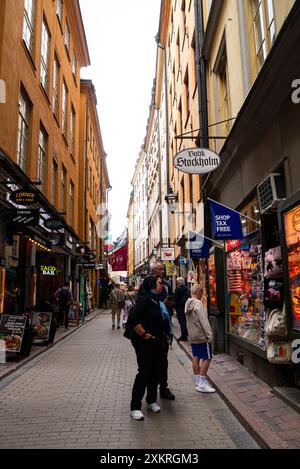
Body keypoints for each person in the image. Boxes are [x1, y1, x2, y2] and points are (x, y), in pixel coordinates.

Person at [129, 276, 172, 420]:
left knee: (155, 371)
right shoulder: (144, 300)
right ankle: (135, 407)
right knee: (144, 372)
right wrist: (144, 334)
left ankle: (151, 401)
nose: (162, 285)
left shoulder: (158, 301)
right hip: (144, 343)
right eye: (160, 283)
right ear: (153, 285)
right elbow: (134, 320)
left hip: (158, 342)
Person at [137, 261, 175, 401]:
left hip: (163, 330)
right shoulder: (146, 285)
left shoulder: (165, 285)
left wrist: (169, 304)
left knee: (163, 362)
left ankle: (163, 388)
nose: (163, 270)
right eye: (160, 269)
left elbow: (168, 305)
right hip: (150, 331)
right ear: (154, 271)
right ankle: (148, 393)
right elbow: (140, 305)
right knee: (149, 365)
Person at [184, 284, 216, 393]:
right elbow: (204, 321)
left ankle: (198, 382)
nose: (202, 295)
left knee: (196, 356)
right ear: (198, 293)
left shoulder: (188, 304)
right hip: (201, 336)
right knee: (207, 357)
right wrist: (209, 336)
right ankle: (202, 383)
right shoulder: (198, 304)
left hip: (193, 336)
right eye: (201, 293)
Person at [174, 277, 190, 341]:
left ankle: (184, 336)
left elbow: (176, 299)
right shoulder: (186, 288)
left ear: (178, 282)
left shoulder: (177, 289)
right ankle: (185, 334)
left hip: (179, 308)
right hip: (185, 307)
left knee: (182, 322)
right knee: (185, 321)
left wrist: (175, 306)